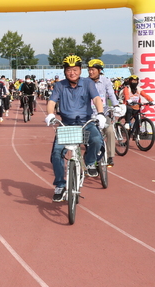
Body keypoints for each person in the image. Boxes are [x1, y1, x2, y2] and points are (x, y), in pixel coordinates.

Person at [45, 56, 106, 202]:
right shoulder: (59, 85)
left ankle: (90, 162)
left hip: (86, 122)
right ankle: (60, 185)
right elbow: (52, 101)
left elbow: (97, 98)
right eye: (68, 70)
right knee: (56, 153)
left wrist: (101, 113)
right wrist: (50, 114)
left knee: (97, 140)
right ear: (65, 71)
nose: (72, 73)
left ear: (80, 70)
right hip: (66, 124)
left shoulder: (88, 83)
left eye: (75, 70)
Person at [87, 59, 118, 167]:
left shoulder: (106, 81)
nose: (90, 72)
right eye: (89, 70)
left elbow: (111, 94)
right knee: (88, 138)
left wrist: (116, 106)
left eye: (93, 70)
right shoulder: (85, 82)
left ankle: (110, 156)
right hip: (90, 115)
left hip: (103, 114)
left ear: (99, 70)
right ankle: (89, 158)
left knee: (109, 131)